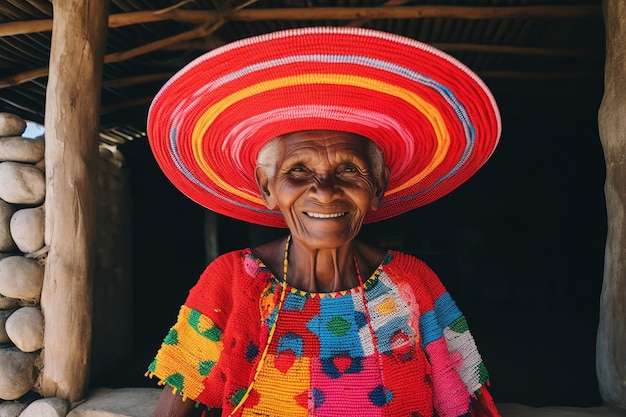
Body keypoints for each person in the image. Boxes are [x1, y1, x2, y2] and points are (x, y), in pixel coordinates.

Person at [145, 27, 502, 417]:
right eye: (298, 170)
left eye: (349, 169)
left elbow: (466, 400)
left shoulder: (413, 285)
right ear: (268, 188)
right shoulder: (231, 283)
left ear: (379, 186)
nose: (326, 191)